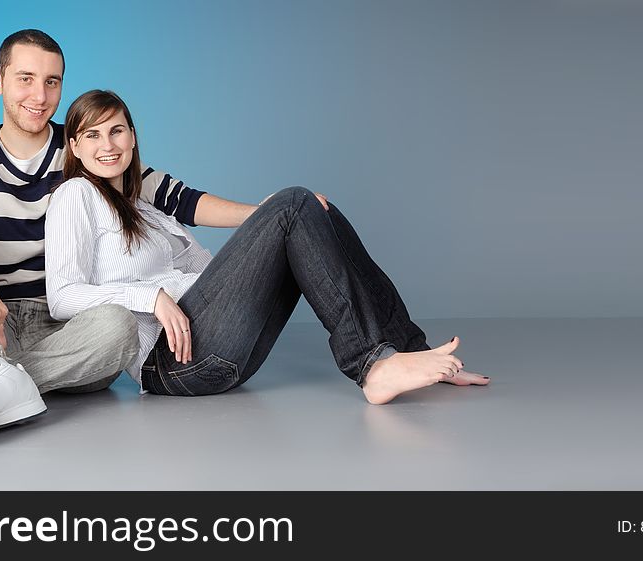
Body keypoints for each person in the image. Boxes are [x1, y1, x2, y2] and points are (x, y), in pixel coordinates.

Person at [0, 30, 256, 443]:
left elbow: (179, 199)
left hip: (74, 332)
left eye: (52, 82)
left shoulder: (83, 146)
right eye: (25, 78)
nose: (40, 95)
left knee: (119, 323)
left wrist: (263, 213)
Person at [46, 90, 491, 405]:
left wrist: (275, 229)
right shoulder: (74, 195)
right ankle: (371, 365)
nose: (108, 145)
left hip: (222, 347)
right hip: (172, 362)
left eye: (117, 131)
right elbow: (62, 296)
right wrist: (149, 296)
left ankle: (405, 349)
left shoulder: (145, 204)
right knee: (295, 202)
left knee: (320, 211)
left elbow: (214, 268)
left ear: (133, 136)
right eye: (92, 135)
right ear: (74, 146)